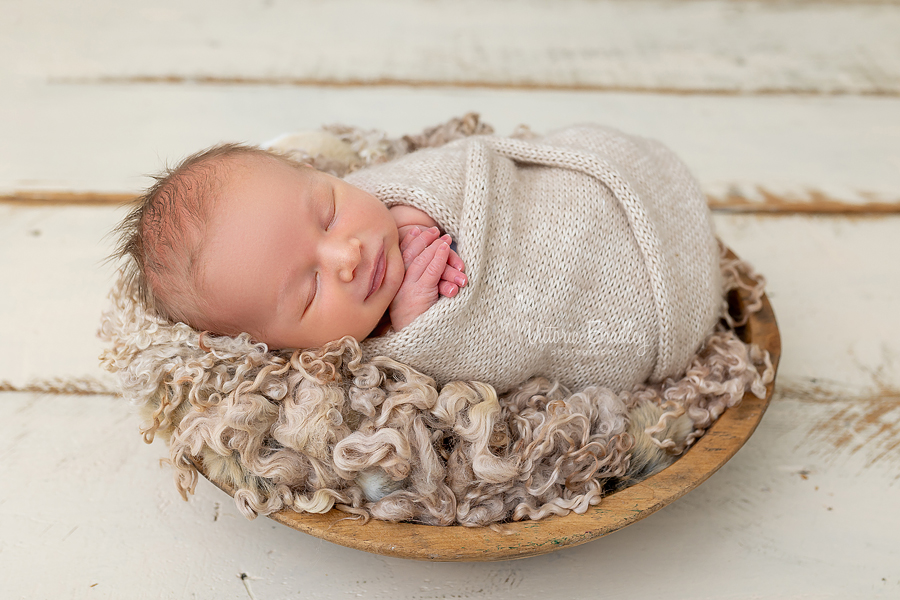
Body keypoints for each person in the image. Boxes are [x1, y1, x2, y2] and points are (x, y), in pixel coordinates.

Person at [116, 124, 721, 395]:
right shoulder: (351, 370)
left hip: (582, 196)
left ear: (325, 174)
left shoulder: (382, 189)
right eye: (309, 292)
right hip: (610, 300)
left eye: (326, 214)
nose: (346, 255)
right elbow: (416, 377)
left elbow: (461, 161)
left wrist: (414, 208)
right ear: (273, 349)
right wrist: (414, 327)